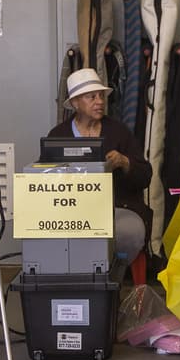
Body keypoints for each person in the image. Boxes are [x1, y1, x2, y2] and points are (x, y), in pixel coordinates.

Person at [47, 68, 152, 282]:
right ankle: (78, 283)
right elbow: (44, 178)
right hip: (70, 211)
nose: (99, 101)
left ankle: (112, 280)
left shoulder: (119, 131)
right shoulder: (58, 136)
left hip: (117, 208)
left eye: (101, 96)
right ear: (75, 103)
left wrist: (125, 162)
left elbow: (145, 176)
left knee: (129, 231)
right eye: (91, 96)